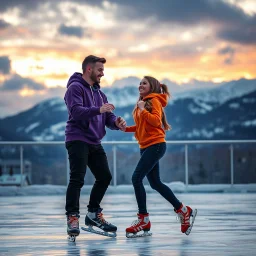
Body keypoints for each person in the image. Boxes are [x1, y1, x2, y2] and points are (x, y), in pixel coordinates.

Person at [124, 76, 197, 237]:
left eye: (144, 83)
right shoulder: (143, 103)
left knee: (136, 178)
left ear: (152, 87)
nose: (140, 85)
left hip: (155, 145)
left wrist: (143, 110)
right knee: (155, 183)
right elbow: (143, 125)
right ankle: (183, 210)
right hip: (147, 147)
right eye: (140, 83)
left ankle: (143, 219)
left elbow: (156, 122)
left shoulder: (153, 101)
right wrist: (125, 128)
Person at [64, 55, 126, 238]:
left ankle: (93, 214)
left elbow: (108, 118)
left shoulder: (99, 93)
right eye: (100, 70)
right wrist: (99, 110)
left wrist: (117, 122)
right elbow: (76, 112)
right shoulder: (74, 88)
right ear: (89, 69)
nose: (102, 73)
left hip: (94, 141)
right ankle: (72, 217)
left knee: (105, 176)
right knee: (77, 179)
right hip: (77, 139)